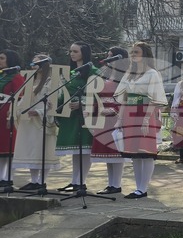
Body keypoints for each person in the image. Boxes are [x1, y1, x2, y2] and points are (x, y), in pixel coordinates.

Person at [114, 42, 167, 199]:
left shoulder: (152, 74)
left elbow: (154, 99)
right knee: (134, 152)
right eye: (132, 52)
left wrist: (146, 120)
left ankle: (143, 188)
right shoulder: (129, 73)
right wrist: (119, 120)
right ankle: (138, 187)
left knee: (146, 151)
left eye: (136, 52)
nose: (133, 55)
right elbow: (123, 98)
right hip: (130, 113)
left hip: (145, 112)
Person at [55, 42, 99, 191]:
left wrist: (82, 103)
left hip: (85, 116)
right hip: (70, 115)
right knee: (75, 150)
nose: (72, 54)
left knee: (84, 148)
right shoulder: (72, 73)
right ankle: (74, 181)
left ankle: (81, 181)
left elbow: (98, 95)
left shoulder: (93, 72)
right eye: (70, 51)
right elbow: (65, 93)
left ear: (84, 53)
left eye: (75, 51)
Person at [13, 53, 59, 191]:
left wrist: (39, 112)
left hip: (42, 121)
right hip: (27, 121)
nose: (33, 65)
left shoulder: (51, 80)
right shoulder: (29, 80)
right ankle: (33, 180)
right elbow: (22, 99)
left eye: (37, 63)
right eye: (32, 63)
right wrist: (17, 110)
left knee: (42, 151)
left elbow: (53, 103)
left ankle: (42, 181)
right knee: (31, 151)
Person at [89, 47, 129, 194]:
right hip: (102, 116)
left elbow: (128, 98)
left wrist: (115, 110)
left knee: (116, 150)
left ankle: (116, 184)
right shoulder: (105, 75)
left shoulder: (125, 76)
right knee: (107, 152)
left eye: (111, 57)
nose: (108, 59)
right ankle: (110, 183)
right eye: (108, 56)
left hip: (117, 117)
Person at [0, 50, 26, 189]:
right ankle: (1, 176)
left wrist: (13, 115)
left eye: (2, 58)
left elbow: (20, 96)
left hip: (8, 113)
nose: (0, 60)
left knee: (9, 147)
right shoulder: (1, 75)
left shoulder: (16, 77)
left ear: (10, 60)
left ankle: (8, 177)